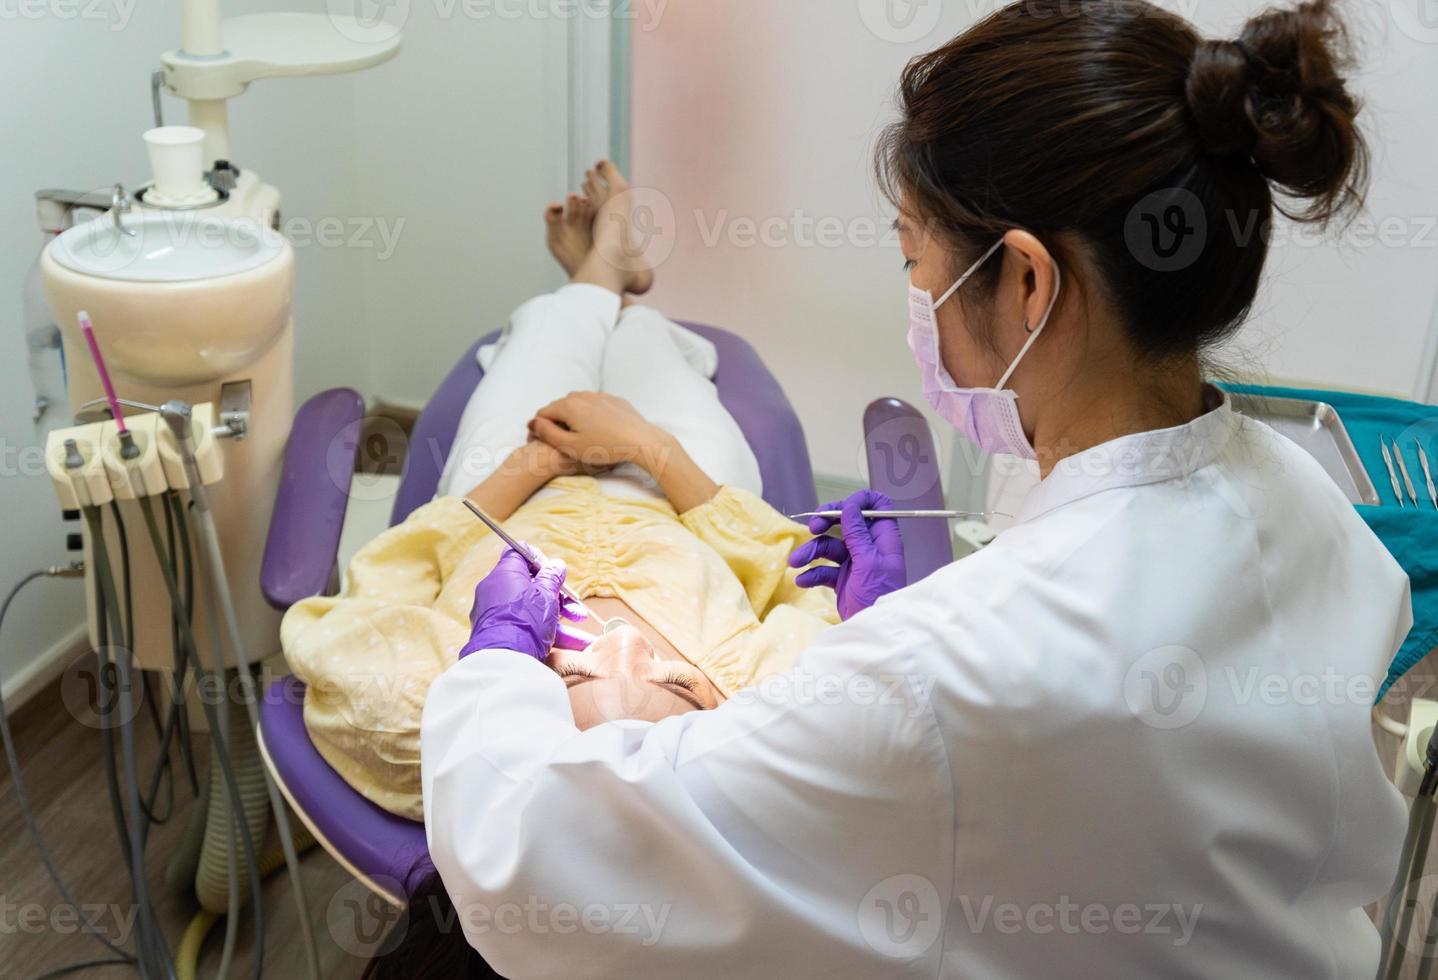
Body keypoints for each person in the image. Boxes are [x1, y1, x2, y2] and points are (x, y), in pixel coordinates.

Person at [414, 1, 1412, 978]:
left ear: (1027, 281)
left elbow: (539, 855)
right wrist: (891, 638)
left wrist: (499, 660)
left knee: (578, 363)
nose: (915, 299)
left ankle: (594, 285)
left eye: (912, 257)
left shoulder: (937, 675)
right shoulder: (1308, 502)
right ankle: (599, 284)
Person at [281, 163, 848, 821]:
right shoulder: (769, 699)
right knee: (648, 346)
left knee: (548, 330)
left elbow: (373, 590)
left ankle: (598, 276)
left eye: (573, 673)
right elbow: (787, 568)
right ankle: (620, 291)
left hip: (510, 492)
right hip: (678, 500)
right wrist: (647, 447)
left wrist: (534, 464)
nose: (625, 643)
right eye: (678, 683)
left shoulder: (431, 717)